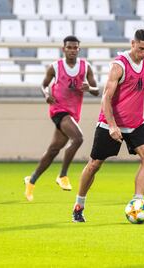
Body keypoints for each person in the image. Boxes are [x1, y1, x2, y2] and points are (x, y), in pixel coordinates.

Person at [72, 29, 144, 222]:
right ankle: (79, 205)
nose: (143, 53)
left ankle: (138, 203)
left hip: (136, 123)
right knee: (94, 164)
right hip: (110, 123)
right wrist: (112, 126)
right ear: (132, 43)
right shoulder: (118, 66)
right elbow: (106, 97)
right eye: (140, 48)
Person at [24, 36, 99, 201]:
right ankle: (62, 175)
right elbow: (44, 84)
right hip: (58, 109)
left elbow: (96, 90)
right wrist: (46, 94)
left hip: (73, 114)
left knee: (53, 150)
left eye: (75, 48)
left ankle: (31, 180)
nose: (72, 50)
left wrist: (89, 88)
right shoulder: (55, 67)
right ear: (63, 49)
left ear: (79, 49)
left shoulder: (85, 67)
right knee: (78, 138)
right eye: (69, 47)